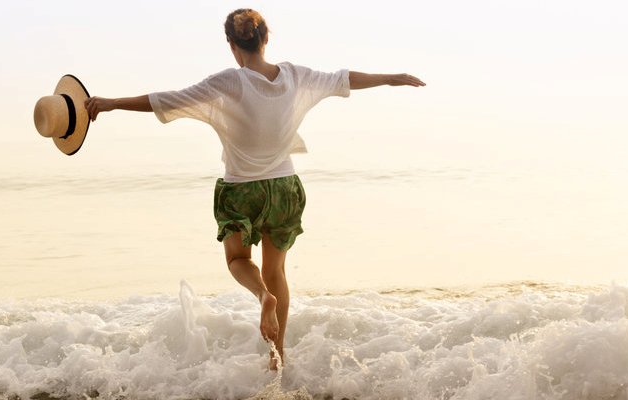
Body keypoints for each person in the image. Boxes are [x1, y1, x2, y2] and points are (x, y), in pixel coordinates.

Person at [84, 8, 425, 370]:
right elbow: (345, 78)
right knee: (277, 270)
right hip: (284, 189)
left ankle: (263, 296)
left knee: (238, 261)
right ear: (267, 38)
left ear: (232, 46)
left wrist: (110, 103)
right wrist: (393, 77)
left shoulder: (228, 82)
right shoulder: (295, 76)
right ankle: (277, 357)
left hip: (241, 191)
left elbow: (167, 99)